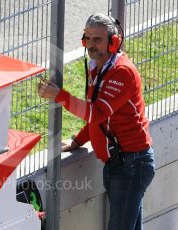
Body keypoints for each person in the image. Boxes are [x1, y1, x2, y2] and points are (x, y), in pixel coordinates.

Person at [38, 13, 155, 230]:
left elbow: (97, 113)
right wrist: (78, 140)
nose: (91, 45)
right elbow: (100, 120)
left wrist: (59, 95)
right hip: (120, 163)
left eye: (97, 39)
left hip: (132, 164)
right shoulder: (97, 67)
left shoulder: (122, 72)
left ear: (114, 42)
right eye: (88, 38)